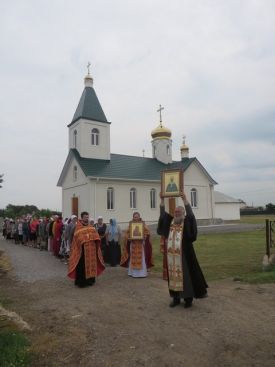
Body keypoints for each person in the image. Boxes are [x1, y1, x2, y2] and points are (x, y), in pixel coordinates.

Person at [157, 192, 208, 308]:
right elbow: (162, 215)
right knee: (173, 278)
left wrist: (185, 200)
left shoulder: (186, 223)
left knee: (186, 278)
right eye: (175, 212)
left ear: (183, 214)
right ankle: (175, 299)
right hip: (172, 258)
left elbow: (191, 215)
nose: (176, 214)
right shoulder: (170, 223)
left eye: (179, 212)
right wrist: (162, 200)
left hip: (184, 256)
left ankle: (188, 299)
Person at [68, 211, 105, 287]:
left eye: (88, 217)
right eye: (85, 217)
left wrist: (96, 240)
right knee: (82, 266)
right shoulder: (77, 227)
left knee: (91, 265)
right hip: (81, 251)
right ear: (82, 218)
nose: (87, 218)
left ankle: (90, 281)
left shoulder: (91, 226)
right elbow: (74, 238)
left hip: (91, 250)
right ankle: (81, 282)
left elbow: (96, 236)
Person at [120, 212, 153, 277]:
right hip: (133, 244)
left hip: (140, 244)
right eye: (134, 217)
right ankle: (132, 273)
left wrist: (145, 236)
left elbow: (147, 232)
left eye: (137, 217)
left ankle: (142, 273)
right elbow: (127, 233)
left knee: (142, 258)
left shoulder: (143, 224)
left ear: (139, 217)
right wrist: (128, 238)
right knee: (133, 257)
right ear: (133, 217)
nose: (135, 218)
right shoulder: (131, 224)